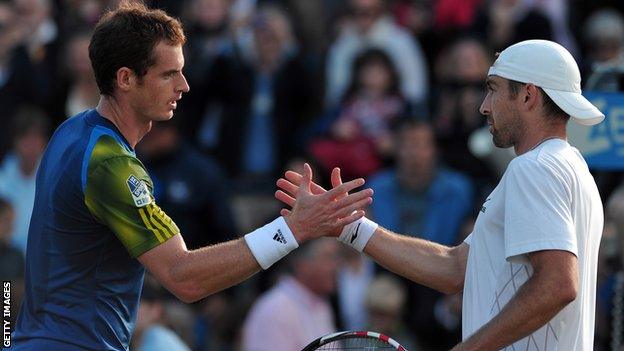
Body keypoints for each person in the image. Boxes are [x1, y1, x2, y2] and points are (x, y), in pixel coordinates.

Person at [11, 2, 373, 350]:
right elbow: (184, 277)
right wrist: (294, 229)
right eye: (168, 74)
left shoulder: (70, 132)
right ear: (125, 78)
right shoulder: (111, 164)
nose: (183, 85)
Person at [276, 39, 605, 350]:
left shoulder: (535, 168)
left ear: (528, 96)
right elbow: (456, 268)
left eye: (493, 91)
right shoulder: (572, 169)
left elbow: (558, 285)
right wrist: (349, 227)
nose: (483, 107)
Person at [241, 238, 339, 351]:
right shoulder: (274, 310)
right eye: (328, 258)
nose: (336, 266)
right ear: (302, 264)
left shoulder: (322, 305)